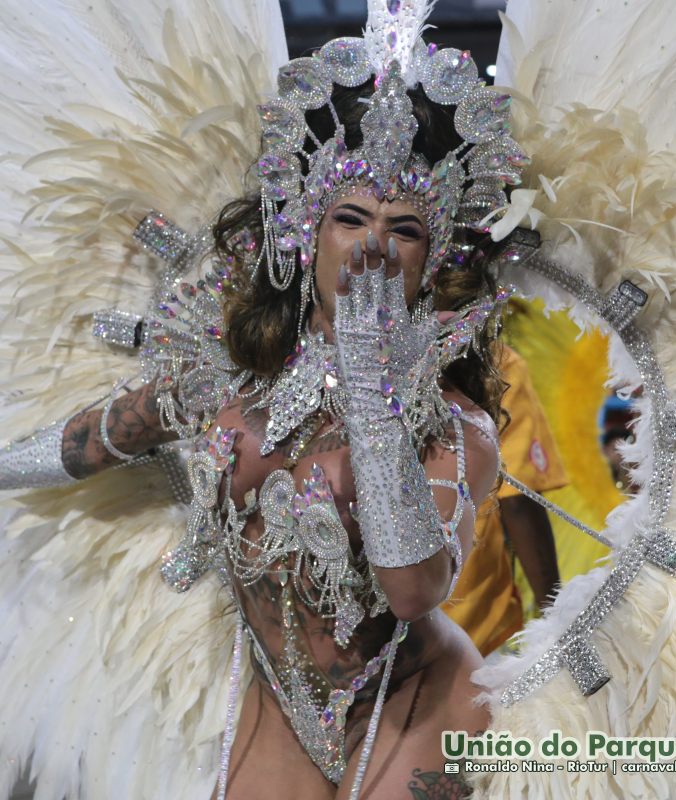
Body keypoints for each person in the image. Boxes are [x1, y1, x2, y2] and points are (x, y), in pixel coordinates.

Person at [0, 13, 527, 799]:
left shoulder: (454, 428)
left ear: (431, 260)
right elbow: (87, 447)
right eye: (350, 218)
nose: (373, 245)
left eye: (404, 229)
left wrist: (371, 386)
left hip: (417, 704)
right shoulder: (222, 380)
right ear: (304, 236)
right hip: (269, 698)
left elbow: (415, 590)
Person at [442, 345, 567, 655]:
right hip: (477, 632)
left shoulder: (354, 364)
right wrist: (559, 623)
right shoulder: (493, 363)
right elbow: (517, 503)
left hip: (370, 643)